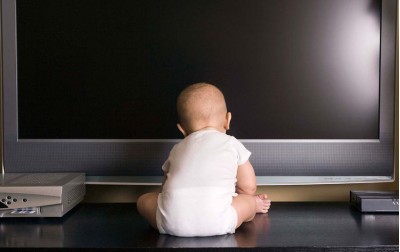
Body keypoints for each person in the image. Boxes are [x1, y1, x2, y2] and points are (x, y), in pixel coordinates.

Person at [137, 83, 271, 237]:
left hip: (171, 223)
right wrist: (244, 200)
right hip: (221, 220)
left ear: (182, 130)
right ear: (228, 120)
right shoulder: (231, 143)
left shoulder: (176, 149)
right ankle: (256, 206)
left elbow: (164, 188)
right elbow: (248, 188)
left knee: (143, 200)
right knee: (248, 200)